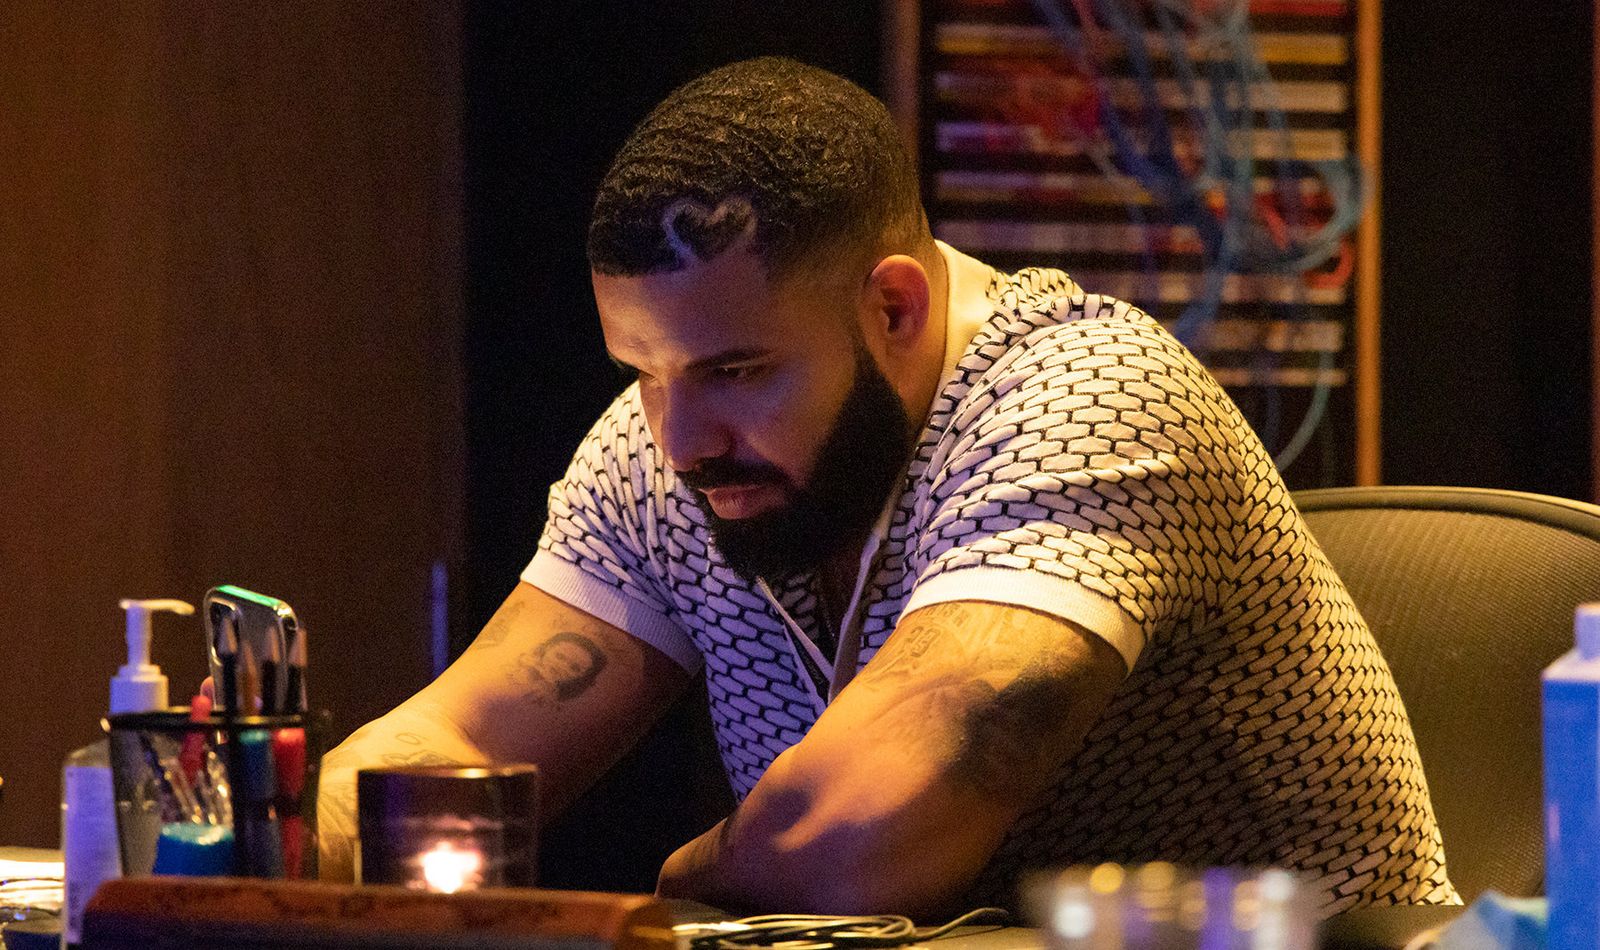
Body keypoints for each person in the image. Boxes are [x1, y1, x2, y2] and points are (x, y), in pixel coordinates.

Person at [319, 56, 1457, 917]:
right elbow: (451, 746)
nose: (681, 437)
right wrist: (256, 851)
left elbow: (859, 834)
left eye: (737, 370)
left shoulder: (1090, 396)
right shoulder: (663, 453)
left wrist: (669, 897)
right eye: (643, 371)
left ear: (895, 306)